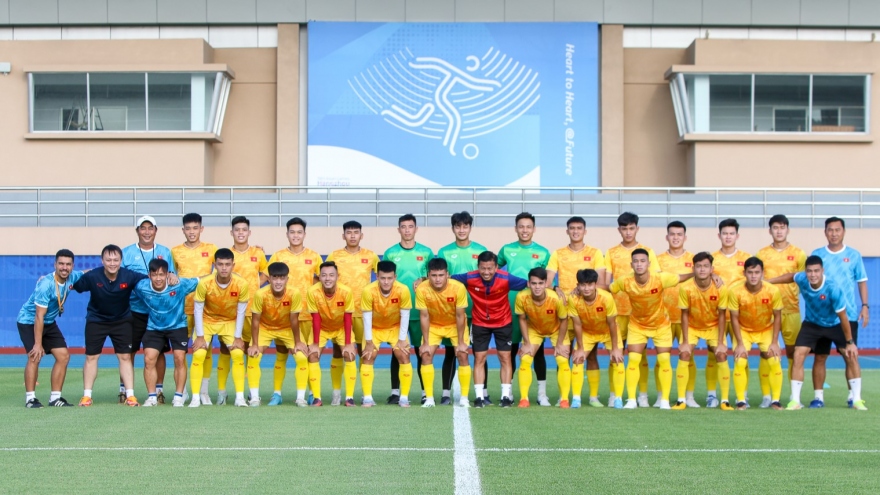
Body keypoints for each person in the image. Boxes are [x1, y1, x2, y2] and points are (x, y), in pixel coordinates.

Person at [612, 248, 692, 410]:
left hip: (661, 325)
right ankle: (632, 400)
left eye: (642, 261)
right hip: (637, 325)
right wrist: (583, 288)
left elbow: (683, 277)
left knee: (664, 360)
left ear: (649, 263)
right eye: (636, 261)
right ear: (631, 265)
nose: (639, 264)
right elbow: (609, 288)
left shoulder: (660, 278)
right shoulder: (624, 281)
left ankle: (664, 401)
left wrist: (709, 275)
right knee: (633, 360)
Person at [73, 244, 149, 407]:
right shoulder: (93, 276)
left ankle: (130, 396)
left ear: (121, 261)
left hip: (122, 321)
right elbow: (73, 283)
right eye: (108, 260)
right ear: (102, 261)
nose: (112, 263)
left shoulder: (129, 275)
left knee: (125, 357)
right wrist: (49, 277)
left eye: (116, 260)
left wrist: (170, 276)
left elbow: (152, 278)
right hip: (96, 320)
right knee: (91, 357)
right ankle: (87, 396)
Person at [787, 256, 865, 410]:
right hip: (812, 324)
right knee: (799, 354)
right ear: (805, 272)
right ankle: (796, 401)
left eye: (816, 271)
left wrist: (850, 343)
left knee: (851, 356)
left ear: (822, 270)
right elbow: (790, 276)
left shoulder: (833, 288)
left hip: (835, 324)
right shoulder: (802, 279)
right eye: (809, 271)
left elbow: (843, 317)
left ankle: (856, 400)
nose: (813, 274)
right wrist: (768, 281)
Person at [451, 251, 528, 408]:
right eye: (483, 268)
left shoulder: (506, 278)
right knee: (479, 358)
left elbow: (531, 283)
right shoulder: (469, 277)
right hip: (480, 323)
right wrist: (423, 280)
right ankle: (479, 398)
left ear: (496, 267)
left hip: (503, 322)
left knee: (505, 358)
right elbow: (447, 278)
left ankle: (505, 397)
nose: (486, 272)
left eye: (490, 268)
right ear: (478, 267)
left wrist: (555, 287)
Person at [545, 216, 606, 407]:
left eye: (579, 228)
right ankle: (564, 396)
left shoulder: (595, 253)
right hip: (563, 314)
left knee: (591, 355)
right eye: (572, 228)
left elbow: (602, 284)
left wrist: (582, 289)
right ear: (567, 231)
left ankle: (593, 397)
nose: (576, 231)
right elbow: (548, 282)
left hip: (586, 314)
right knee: (563, 356)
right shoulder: (558, 253)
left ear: (585, 231)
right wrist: (556, 288)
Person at [811, 217, 868, 408]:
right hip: (822, 317)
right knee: (820, 356)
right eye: (830, 230)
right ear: (825, 232)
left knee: (849, 355)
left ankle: (854, 397)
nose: (834, 233)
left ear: (844, 232)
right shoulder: (818, 254)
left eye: (837, 230)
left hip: (847, 315)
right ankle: (818, 397)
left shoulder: (854, 255)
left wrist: (865, 306)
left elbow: (862, 281)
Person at [604, 212, 660, 407]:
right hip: (617, 312)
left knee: (640, 356)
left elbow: (656, 280)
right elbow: (606, 283)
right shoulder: (611, 253)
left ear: (637, 228)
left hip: (640, 314)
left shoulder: (648, 252)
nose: (628, 232)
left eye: (631, 228)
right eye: (624, 229)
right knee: (615, 354)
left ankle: (642, 395)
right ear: (619, 230)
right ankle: (615, 394)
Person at [17, 249, 83, 408]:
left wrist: (109, 267)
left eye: (68, 264)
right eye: (61, 264)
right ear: (55, 265)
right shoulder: (46, 284)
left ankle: (55, 398)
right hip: (29, 321)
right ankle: (30, 399)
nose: (64, 267)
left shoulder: (73, 276)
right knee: (35, 356)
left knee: (63, 356)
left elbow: (89, 273)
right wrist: (38, 344)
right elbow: (38, 316)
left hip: (49, 322)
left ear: (73, 266)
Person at [711, 218, 767, 407]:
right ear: (719, 235)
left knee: (741, 355)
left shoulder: (746, 258)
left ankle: (742, 395)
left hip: (740, 317)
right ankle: (712, 395)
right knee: (715, 355)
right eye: (725, 233)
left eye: (731, 233)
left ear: (737, 235)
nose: (728, 237)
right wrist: (712, 274)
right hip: (717, 316)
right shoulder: (712, 259)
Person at [498, 212, 550, 406]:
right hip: (510, 307)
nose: (525, 230)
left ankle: (542, 394)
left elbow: (548, 281)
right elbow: (493, 270)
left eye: (528, 227)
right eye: (521, 226)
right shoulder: (506, 249)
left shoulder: (543, 252)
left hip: (535, 310)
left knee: (538, 352)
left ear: (534, 229)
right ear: (516, 228)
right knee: (511, 350)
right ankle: (509, 391)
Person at [122, 215, 176, 404]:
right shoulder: (126, 253)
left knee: (158, 352)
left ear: (155, 230)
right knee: (128, 351)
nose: (146, 232)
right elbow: (117, 276)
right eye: (143, 228)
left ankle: (158, 390)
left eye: (150, 228)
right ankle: (125, 390)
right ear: (137, 231)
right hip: (133, 310)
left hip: (158, 312)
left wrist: (172, 276)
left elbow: (172, 275)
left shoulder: (165, 252)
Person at [268, 217, 321, 403]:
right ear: (287, 234)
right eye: (292, 232)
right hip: (283, 316)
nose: (296, 235)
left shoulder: (314, 257)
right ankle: (277, 394)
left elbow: (320, 283)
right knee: (281, 354)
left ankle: (312, 393)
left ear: (304, 234)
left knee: (309, 355)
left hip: (308, 314)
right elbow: (269, 281)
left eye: (299, 232)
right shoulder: (277, 256)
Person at [188, 248, 250, 407]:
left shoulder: (241, 284)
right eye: (220, 264)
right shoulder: (204, 283)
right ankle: (196, 397)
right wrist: (200, 336)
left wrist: (238, 337)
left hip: (229, 322)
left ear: (233, 265)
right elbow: (198, 309)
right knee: (199, 354)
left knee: (237, 353)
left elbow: (241, 311)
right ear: (214, 265)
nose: (224, 268)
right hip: (207, 321)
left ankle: (240, 398)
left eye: (227, 264)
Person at [383, 214, 433, 405]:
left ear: (416, 229)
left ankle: (424, 392)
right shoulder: (390, 253)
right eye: (403, 227)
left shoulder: (426, 252)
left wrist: (424, 279)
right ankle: (395, 392)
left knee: (422, 352)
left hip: (420, 312)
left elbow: (435, 276)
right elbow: (384, 280)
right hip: (397, 313)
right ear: (398, 230)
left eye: (410, 226)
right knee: (398, 352)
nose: (407, 230)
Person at [437, 211, 486, 405]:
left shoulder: (480, 250)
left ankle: (483, 393)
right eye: (458, 226)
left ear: (470, 228)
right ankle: (445, 393)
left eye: (465, 226)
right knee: (451, 352)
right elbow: (441, 279)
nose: (462, 230)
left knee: (479, 352)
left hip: (477, 309)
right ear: (453, 228)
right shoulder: (444, 252)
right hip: (452, 311)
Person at [134, 259, 198, 407]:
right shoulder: (141, 287)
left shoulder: (179, 284)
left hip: (178, 326)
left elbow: (201, 280)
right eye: (154, 275)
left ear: (167, 274)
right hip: (154, 328)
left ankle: (178, 397)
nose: (158, 278)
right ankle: (152, 397)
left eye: (161, 274)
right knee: (149, 359)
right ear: (149, 275)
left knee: (179, 358)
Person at [326, 220, 380, 394]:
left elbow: (383, 279)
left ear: (361, 235)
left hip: (364, 313)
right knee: (338, 351)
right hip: (340, 313)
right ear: (343, 236)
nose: (352, 236)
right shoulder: (334, 256)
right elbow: (324, 279)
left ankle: (365, 394)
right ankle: (336, 393)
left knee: (364, 352)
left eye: (356, 232)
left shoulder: (371, 256)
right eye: (349, 232)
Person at [170, 213, 217, 404]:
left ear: (201, 229)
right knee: (180, 352)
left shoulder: (211, 249)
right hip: (181, 309)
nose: (192, 232)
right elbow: (170, 277)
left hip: (206, 309)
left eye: (195, 228)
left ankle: (203, 391)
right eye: (188, 228)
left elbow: (226, 266)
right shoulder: (175, 251)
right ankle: (182, 391)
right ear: (183, 230)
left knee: (205, 351)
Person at [675, 252, 731, 410]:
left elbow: (722, 315)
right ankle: (681, 400)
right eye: (698, 266)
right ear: (693, 268)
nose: (702, 269)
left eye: (706, 266)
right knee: (684, 354)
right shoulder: (686, 288)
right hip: (692, 326)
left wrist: (720, 342)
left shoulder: (720, 288)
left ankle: (724, 400)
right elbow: (684, 314)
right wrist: (685, 341)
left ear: (712, 269)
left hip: (713, 326)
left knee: (721, 354)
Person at [727, 257, 784, 411]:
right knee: (740, 360)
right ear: (744, 273)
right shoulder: (735, 291)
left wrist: (774, 342)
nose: (753, 276)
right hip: (744, 331)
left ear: (762, 273)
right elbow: (734, 318)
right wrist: (739, 343)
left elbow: (777, 316)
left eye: (757, 272)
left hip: (765, 329)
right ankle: (741, 401)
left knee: (774, 359)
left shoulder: (773, 291)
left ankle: (775, 400)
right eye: (750, 272)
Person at [247, 262, 307, 407]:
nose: (278, 282)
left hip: (287, 328)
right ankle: (254, 397)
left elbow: (294, 319)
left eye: (282, 278)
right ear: (269, 279)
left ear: (287, 279)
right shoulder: (260, 294)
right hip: (265, 328)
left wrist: (298, 342)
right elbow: (255, 321)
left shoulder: (294, 293)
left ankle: (300, 398)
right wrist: (254, 344)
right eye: (275, 277)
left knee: (301, 357)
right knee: (253, 356)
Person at [757, 214, 806, 386]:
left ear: (788, 230)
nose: (779, 231)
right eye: (775, 228)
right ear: (770, 231)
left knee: (793, 353)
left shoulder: (799, 254)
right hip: (767, 311)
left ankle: (794, 395)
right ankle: (767, 396)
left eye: (782, 227)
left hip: (791, 310)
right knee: (767, 353)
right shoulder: (762, 254)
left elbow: (803, 280)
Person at [416, 258, 471, 408]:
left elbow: (460, 316)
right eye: (434, 275)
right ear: (428, 275)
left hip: (454, 325)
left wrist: (461, 342)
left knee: (462, 354)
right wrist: (425, 343)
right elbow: (424, 316)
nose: (438, 279)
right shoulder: (422, 289)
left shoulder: (458, 288)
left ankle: (464, 398)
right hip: (434, 326)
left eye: (441, 275)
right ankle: (429, 399)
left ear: (447, 274)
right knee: (425, 354)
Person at [657, 221, 701, 408]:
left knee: (688, 357)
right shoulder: (657, 260)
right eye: (672, 234)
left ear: (685, 237)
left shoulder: (694, 260)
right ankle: (661, 396)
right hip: (663, 318)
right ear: (667, 237)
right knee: (662, 358)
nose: (676, 237)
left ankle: (689, 396)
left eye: (679, 234)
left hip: (687, 318)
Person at [567, 269, 625, 409]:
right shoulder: (573, 299)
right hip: (587, 332)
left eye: (590, 284)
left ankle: (617, 398)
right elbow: (577, 324)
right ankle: (576, 399)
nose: (586, 288)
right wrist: (580, 348)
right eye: (583, 285)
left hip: (607, 332)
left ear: (595, 284)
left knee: (617, 360)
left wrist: (615, 348)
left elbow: (612, 324)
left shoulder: (606, 298)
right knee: (578, 360)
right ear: (578, 285)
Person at [360, 261, 414, 407]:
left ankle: (404, 398)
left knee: (404, 355)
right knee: (368, 356)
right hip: (374, 328)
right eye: (382, 278)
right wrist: (369, 342)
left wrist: (402, 340)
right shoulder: (368, 291)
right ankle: (367, 397)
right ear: (377, 276)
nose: (386, 282)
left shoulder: (403, 290)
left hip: (395, 328)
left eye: (389, 278)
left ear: (395, 277)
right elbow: (366, 317)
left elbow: (405, 315)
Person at [515, 267, 571, 408]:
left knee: (562, 359)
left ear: (546, 283)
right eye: (534, 283)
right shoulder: (521, 297)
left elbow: (564, 320)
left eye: (540, 283)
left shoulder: (556, 298)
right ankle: (524, 399)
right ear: (529, 284)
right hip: (534, 329)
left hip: (556, 330)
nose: (537, 287)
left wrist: (559, 344)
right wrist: (526, 342)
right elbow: (522, 319)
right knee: (525, 358)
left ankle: (564, 399)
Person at [229, 216, 270, 403]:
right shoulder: (226, 254)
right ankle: (226, 393)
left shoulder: (258, 253)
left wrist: (254, 285)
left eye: (244, 230)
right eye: (237, 230)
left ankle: (254, 394)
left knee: (253, 352)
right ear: (231, 232)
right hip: (232, 312)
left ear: (249, 232)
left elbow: (266, 273)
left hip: (254, 311)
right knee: (234, 352)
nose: (240, 233)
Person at [306, 261, 357, 407]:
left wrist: (348, 343)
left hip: (341, 327)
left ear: (337, 276)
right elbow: (315, 318)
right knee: (313, 355)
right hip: (321, 328)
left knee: (349, 354)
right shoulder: (312, 292)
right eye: (324, 275)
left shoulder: (346, 291)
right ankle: (316, 398)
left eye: (331, 275)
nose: (327, 278)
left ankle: (348, 397)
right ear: (319, 277)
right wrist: (315, 343)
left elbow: (348, 318)